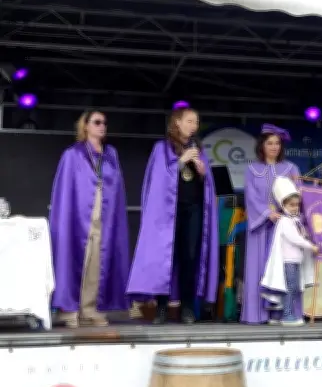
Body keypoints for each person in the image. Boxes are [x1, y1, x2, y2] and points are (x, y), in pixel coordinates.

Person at [127, 107, 218, 324]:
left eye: (196, 122)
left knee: (190, 256)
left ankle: (187, 307)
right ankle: (161, 307)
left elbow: (207, 184)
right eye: (189, 121)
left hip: (193, 208)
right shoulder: (162, 148)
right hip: (168, 211)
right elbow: (158, 180)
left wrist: (204, 173)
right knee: (165, 257)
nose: (193, 126)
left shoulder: (199, 149)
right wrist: (180, 161)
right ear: (177, 123)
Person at [49, 111, 130, 327]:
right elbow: (65, 190)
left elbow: (117, 187)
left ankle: (89, 308)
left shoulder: (111, 154)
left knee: (97, 262)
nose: (102, 126)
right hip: (78, 215)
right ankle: (68, 309)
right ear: (85, 126)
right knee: (74, 259)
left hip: (105, 215)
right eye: (97, 122)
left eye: (104, 122)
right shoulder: (73, 154)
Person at [241, 124, 300, 325]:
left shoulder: (291, 169)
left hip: (283, 228)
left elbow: (298, 196)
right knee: (260, 268)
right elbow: (250, 196)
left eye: (277, 143)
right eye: (270, 143)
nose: (274, 147)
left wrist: (285, 213)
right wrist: (267, 213)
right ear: (262, 145)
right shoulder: (252, 169)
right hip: (261, 228)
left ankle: (283, 314)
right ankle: (258, 315)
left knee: (284, 271)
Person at [260, 177, 319, 326]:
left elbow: (300, 235)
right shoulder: (286, 221)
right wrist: (311, 246)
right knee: (290, 289)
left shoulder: (296, 221)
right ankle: (287, 315)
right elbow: (295, 239)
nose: (295, 208)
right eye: (291, 205)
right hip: (289, 262)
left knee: (290, 288)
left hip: (295, 261)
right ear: (284, 205)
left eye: (297, 205)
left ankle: (278, 315)